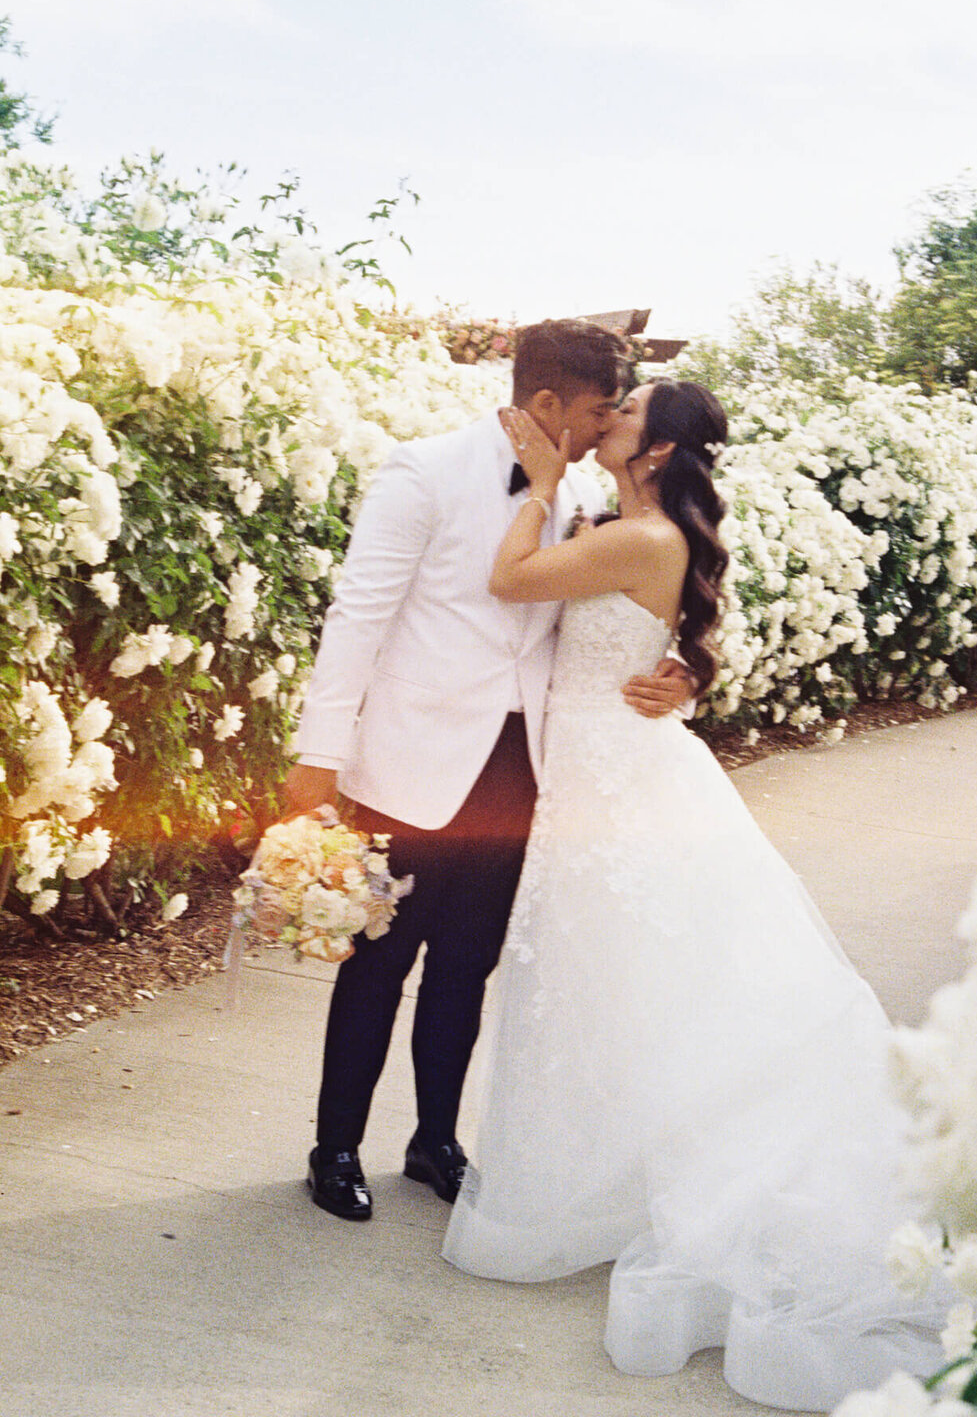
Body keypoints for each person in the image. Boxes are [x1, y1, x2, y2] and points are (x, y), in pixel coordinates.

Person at [441, 379, 949, 1412]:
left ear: (660, 450)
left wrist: (537, 486)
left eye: (623, 417)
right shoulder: (633, 526)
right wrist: (683, 670)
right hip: (605, 772)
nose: (606, 423)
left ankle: (667, 1183)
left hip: (618, 792)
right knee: (623, 987)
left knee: (642, 983)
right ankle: (623, 1173)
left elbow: (511, 579)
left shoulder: (641, 535)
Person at [283, 320, 695, 1224]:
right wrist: (320, 759)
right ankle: (335, 1147)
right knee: (376, 963)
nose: (602, 429)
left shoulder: (581, 497)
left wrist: (679, 671)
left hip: (527, 771)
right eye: (596, 411)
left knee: (467, 967)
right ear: (547, 403)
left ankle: (434, 1141)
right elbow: (357, 618)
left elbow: (624, 613)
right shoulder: (422, 471)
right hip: (411, 765)